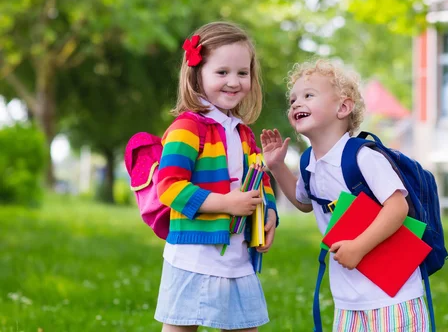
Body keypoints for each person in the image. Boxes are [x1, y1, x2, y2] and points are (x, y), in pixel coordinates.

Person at [260, 59, 429, 331]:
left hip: (393, 297)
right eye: (293, 99)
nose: (295, 103)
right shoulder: (308, 164)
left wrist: (359, 246)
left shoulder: (362, 156)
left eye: (308, 95)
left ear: (343, 107)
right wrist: (278, 167)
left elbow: (398, 207)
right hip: (348, 300)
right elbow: (304, 202)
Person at [154, 21, 278, 332]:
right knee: (181, 327)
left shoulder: (245, 134)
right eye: (222, 72)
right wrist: (226, 202)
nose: (234, 82)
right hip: (193, 255)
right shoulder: (187, 128)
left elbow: (260, 180)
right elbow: (169, 187)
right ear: (198, 74)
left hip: (237, 257)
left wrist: (270, 214)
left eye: (242, 73)